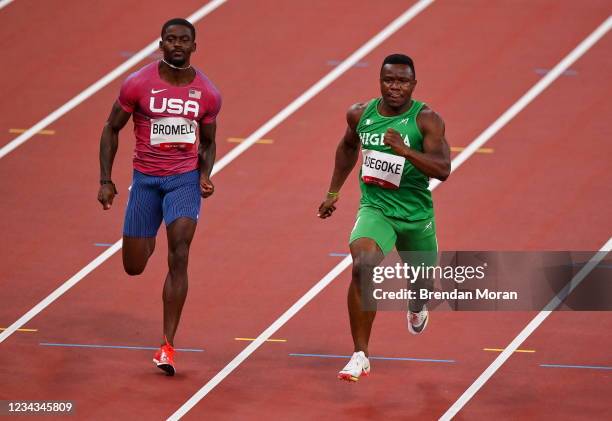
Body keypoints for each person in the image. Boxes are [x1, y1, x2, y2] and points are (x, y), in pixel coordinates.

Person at [97, 18, 221, 376]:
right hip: (146, 181)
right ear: (161, 44)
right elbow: (111, 128)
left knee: (179, 251)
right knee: (133, 265)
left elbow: (209, 142)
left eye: (184, 40)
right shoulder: (138, 84)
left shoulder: (208, 93)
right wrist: (105, 179)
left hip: (183, 182)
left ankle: (167, 344)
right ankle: (146, 235)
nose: (177, 45)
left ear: (194, 46)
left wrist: (204, 175)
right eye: (171, 40)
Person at [318, 54, 450, 382]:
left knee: (421, 285)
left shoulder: (427, 120)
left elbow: (443, 169)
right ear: (380, 81)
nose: (395, 87)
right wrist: (333, 192)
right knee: (362, 264)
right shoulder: (360, 114)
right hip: (376, 210)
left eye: (402, 81)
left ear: (413, 85)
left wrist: (405, 151)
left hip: (416, 216)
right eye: (389, 80)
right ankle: (360, 354)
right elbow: (348, 148)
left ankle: (417, 305)